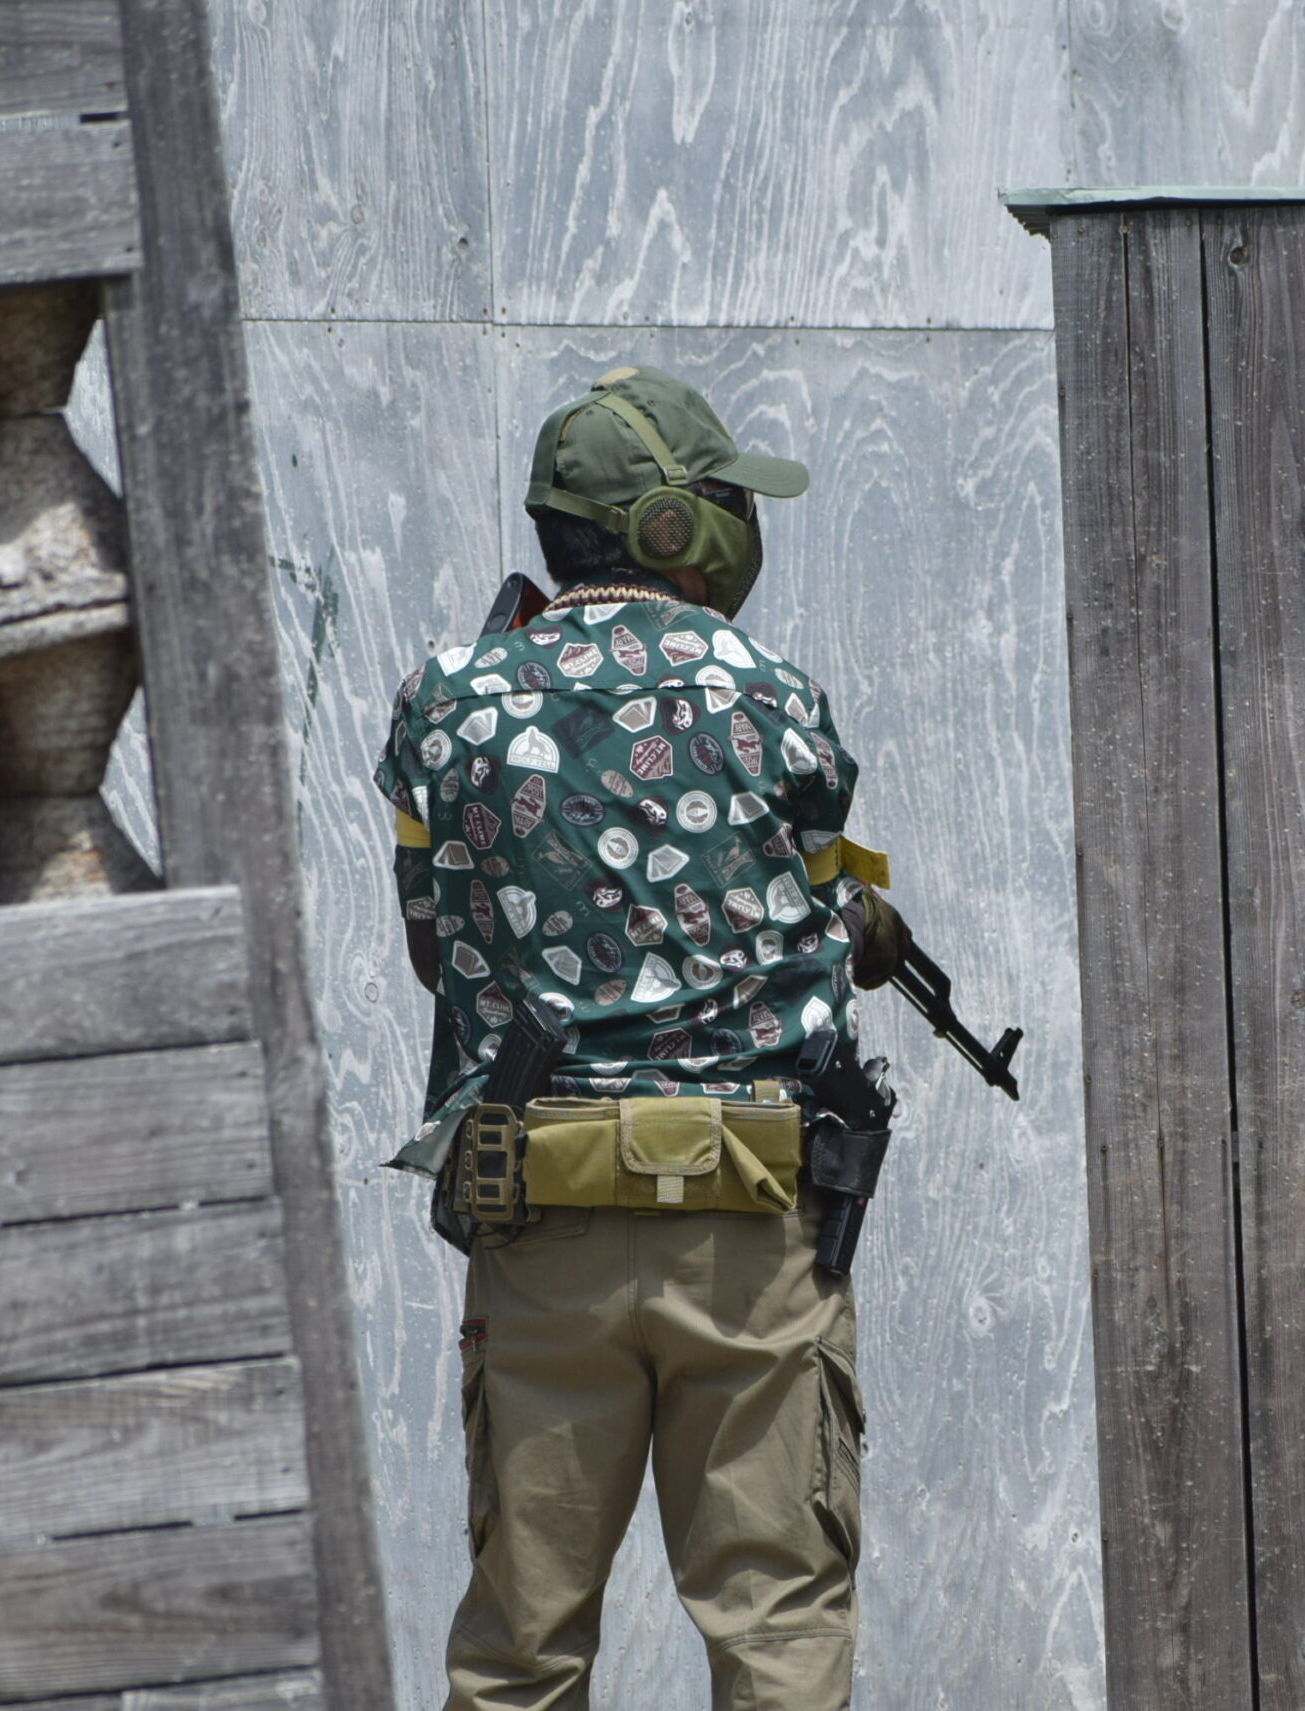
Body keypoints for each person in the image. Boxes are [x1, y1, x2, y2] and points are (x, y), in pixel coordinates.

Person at [373, 365, 908, 1710]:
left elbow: (436, 946)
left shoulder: (446, 700)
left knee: (520, 1646)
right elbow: (818, 899)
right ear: (671, 523)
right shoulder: (770, 692)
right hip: (749, 1227)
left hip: (541, 1216)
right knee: (777, 1625)